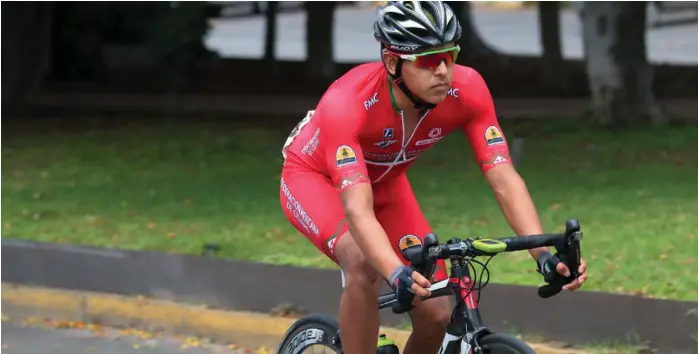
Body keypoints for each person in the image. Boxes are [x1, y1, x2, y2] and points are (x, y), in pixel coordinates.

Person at [279, 2, 588, 354]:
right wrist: (397, 273)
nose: (443, 71)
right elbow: (358, 211)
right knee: (364, 265)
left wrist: (543, 254)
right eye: (428, 61)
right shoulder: (346, 102)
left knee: (438, 311)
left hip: (386, 184)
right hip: (316, 180)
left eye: (449, 56)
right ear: (393, 62)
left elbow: (503, 176)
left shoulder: (467, 90)